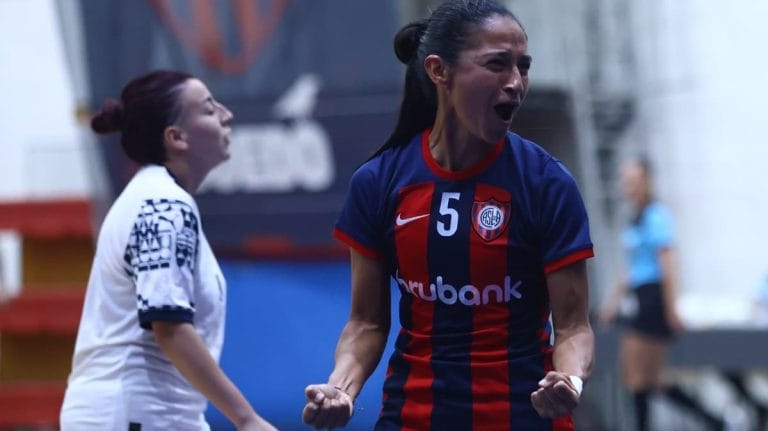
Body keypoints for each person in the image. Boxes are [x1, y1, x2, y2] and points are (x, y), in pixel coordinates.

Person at [302, 1, 594, 429]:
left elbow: (572, 328)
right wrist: (342, 388)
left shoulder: (546, 182)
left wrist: (569, 380)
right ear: (439, 71)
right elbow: (366, 322)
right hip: (414, 416)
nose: (516, 82)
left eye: (523, 67)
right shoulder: (380, 182)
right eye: (498, 64)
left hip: (524, 418)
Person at [59, 70, 277, 431]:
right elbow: (169, 327)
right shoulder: (163, 203)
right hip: (136, 413)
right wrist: (247, 419)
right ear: (176, 137)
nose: (226, 114)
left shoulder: (156, 197)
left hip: (147, 413)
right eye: (209, 110)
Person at [598, 157, 724, 431]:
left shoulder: (657, 216)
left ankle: (713, 422)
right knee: (650, 379)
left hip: (655, 300)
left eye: (633, 181)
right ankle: (716, 421)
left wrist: (670, 308)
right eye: (625, 181)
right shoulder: (635, 219)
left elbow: (668, 264)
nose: (628, 187)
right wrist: (611, 303)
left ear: (647, 182)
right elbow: (629, 269)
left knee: (635, 377)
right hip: (642, 297)